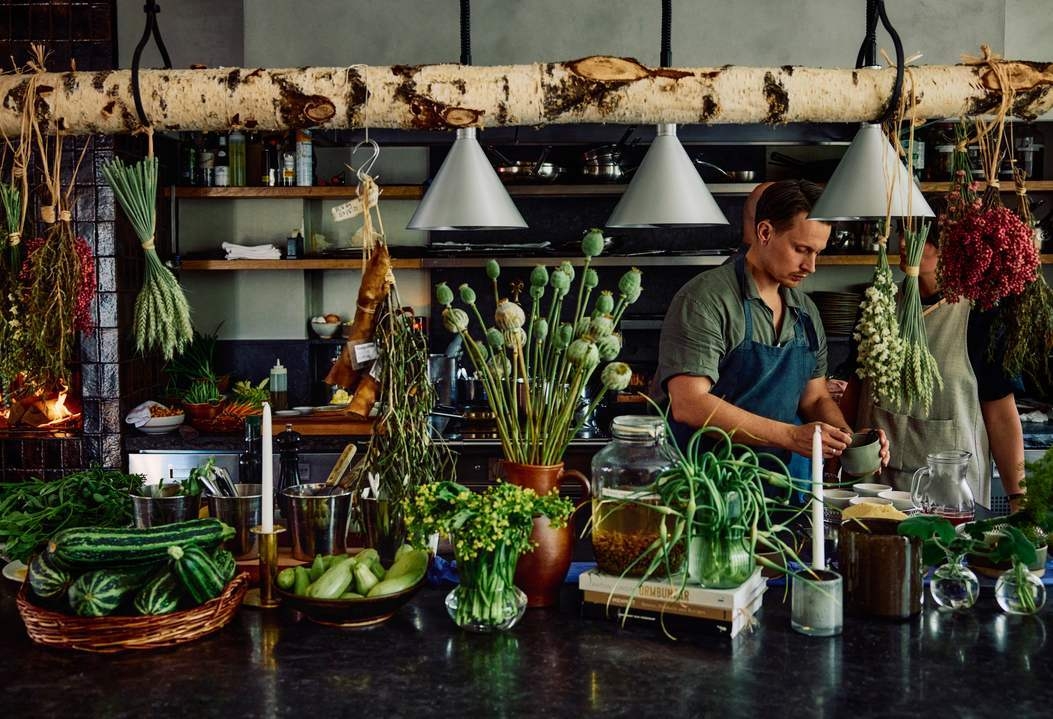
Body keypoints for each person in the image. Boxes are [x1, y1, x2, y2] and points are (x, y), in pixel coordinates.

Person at [656, 180, 880, 468]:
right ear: (765, 232)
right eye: (801, 249)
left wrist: (846, 439)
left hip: (779, 490)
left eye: (817, 253)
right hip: (703, 486)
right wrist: (790, 435)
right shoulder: (705, 299)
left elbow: (814, 398)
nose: (811, 266)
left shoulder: (806, 311)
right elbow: (689, 404)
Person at [848, 231, 1026, 512]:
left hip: (950, 493)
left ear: (951, 247)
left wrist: (1018, 499)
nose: (905, 244)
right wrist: (840, 457)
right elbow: (856, 388)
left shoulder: (981, 315)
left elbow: (1001, 415)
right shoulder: (879, 304)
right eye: (903, 234)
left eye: (923, 237)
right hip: (875, 484)